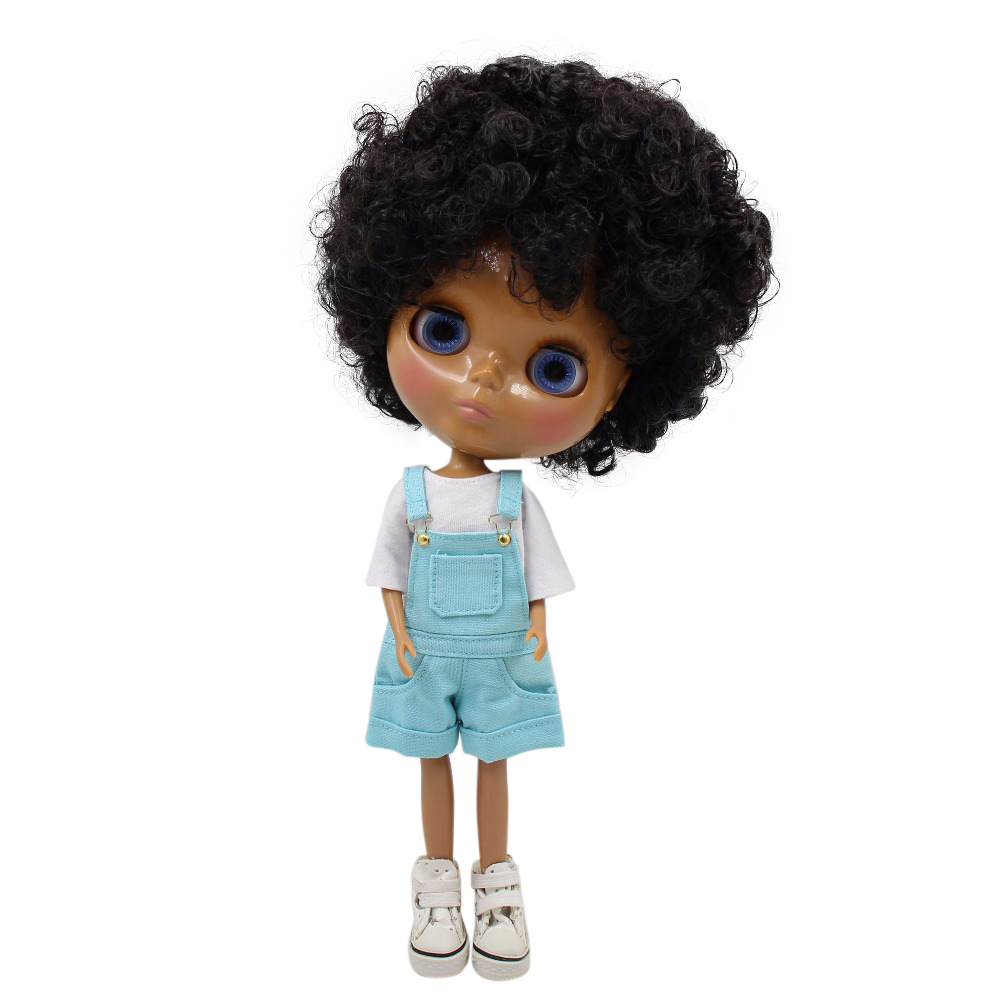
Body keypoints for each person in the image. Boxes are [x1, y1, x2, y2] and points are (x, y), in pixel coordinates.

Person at [314, 55, 775, 979]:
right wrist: (399, 632)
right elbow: (388, 575)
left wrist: (534, 636)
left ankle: (497, 883)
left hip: (499, 655)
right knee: (431, 759)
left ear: (626, 390)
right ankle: (436, 882)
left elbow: (539, 589)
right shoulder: (410, 496)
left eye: (553, 367)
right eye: (444, 329)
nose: (482, 378)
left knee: (494, 761)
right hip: (422, 651)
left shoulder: (513, 506)